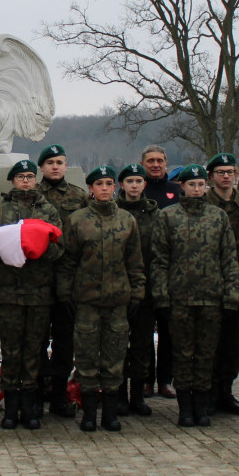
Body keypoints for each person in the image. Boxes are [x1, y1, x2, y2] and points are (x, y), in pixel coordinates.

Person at [151, 164, 239, 427]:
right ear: (183, 187)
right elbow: (159, 260)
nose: (197, 189)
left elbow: (229, 258)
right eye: (192, 184)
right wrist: (161, 296)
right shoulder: (167, 216)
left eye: (201, 184)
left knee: (206, 355)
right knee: (182, 354)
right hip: (179, 299)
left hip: (211, 298)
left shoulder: (218, 217)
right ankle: (185, 408)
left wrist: (231, 294)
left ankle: (202, 406)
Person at [58, 165, 144, 433]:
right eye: (99, 184)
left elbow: (135, 262)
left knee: (114, 356)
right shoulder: (77, 220)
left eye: (109, 183)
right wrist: (65, 293)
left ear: (114, 187)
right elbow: (67, 261)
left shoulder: (127, 220)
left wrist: (137, 293)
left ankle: (110, 413)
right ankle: (89, 414)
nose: (105, 188)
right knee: (85, 357)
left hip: (118, 301)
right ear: (91, 189)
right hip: (86, 300)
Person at [0, 160, 63, 430]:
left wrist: (37, 247)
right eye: (21, 176)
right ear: (13, 180)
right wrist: (12, 248)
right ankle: (12, 407)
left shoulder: (47, 209)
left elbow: (59, 247)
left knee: (34, 351)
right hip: (9, 292)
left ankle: (31, 407)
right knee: (12, 350)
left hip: (39, 292)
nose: (26, 181)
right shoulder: (0, 208)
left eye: (30, 176)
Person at [36, 144, 89, 418]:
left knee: (64, 343)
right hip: (40, 279)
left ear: (66, 166)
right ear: (41, 167)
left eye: (60, 162)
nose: (55, 167)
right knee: (37, 340)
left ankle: (59, 397)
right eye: (50, 163)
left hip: (68, 281)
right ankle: (36, 397)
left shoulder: (79, 196)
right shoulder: (32, 195)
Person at [205, 153, 239, 415]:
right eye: (220, 172)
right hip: (208, 285)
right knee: (209, 343)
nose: (226, 176)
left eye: (230, 171)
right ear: (211, 176)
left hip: (237, 286)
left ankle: (226, 391)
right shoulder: (201, 205)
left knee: (233, 344)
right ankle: (209, 393)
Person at [115, 163, 157, 417]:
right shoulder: (113, 212)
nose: (134, 185)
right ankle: (119, 394)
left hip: (147, 289)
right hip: (118, 288)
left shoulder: (155, 214)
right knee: (118, 344)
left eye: (138, 181)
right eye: (129, 181)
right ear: (121, 185)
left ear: (144, 185)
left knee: (142, 345)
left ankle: (138, 395)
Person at [141, 144, 181, 400]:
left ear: (166, 163)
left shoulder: (177, 191)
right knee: (144, 331)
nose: (156, 165)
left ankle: (166, 380)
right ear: (143, 164)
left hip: (171, 273)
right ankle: (145, 380)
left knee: (169, 331)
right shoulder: (135, 189)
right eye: (151, 161)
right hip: (143, 271)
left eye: (160, 160)